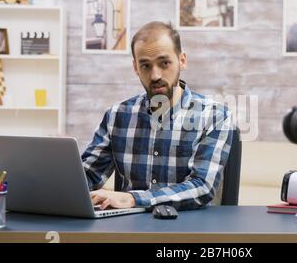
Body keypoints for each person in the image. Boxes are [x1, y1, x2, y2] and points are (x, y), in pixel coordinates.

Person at [82, 21, 234, 211]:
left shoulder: (215, 116)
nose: (155, 75)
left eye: (164, 63)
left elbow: (202, 186)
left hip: (188, 230)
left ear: (182, 60)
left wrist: (133, 199)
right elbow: (86, 175)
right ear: (136, 68)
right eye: (145, 65)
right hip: (127, 231)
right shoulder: (116, 116)